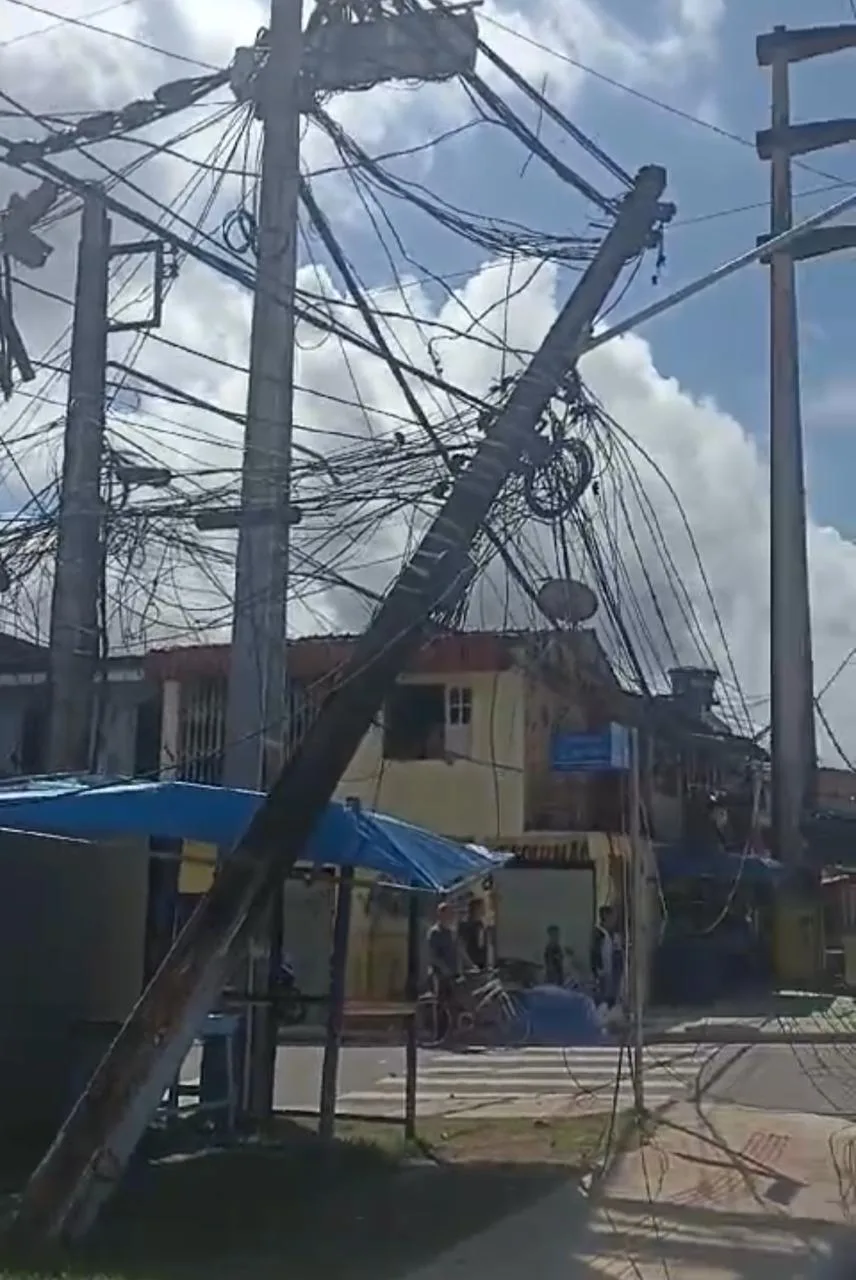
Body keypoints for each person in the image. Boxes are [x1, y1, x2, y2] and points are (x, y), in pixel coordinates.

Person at [426, 900, 460, 1035]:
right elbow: (433, 955)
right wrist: (443, 968)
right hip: (438, 973)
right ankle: (439, 1033)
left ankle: (450, 1031)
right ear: (440, 915)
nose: (450, 917)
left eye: (451, 914)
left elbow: (459, 950)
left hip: (452, 972)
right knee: (440, 1003)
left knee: (452, 1002)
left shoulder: (450, 932)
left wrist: (469, 965)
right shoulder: (435, 932)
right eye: (448, 914)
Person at [590, 905, 620, 1009]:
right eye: (612, 917)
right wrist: (598, 970)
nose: (614, 920)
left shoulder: (611, 934)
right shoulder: (599, 934)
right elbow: (594, 952)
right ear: (606, 917)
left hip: (609, 971)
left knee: (610, 994)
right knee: (603, 996)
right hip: (602, 972)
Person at [458, 897, 488, 971]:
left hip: (482, 965)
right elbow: (461, 947)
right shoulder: (466, 926)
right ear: (475, 909)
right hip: (471, 966)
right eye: (481, 907)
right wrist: (470, 964)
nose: (484, 910)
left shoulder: (480, 925)